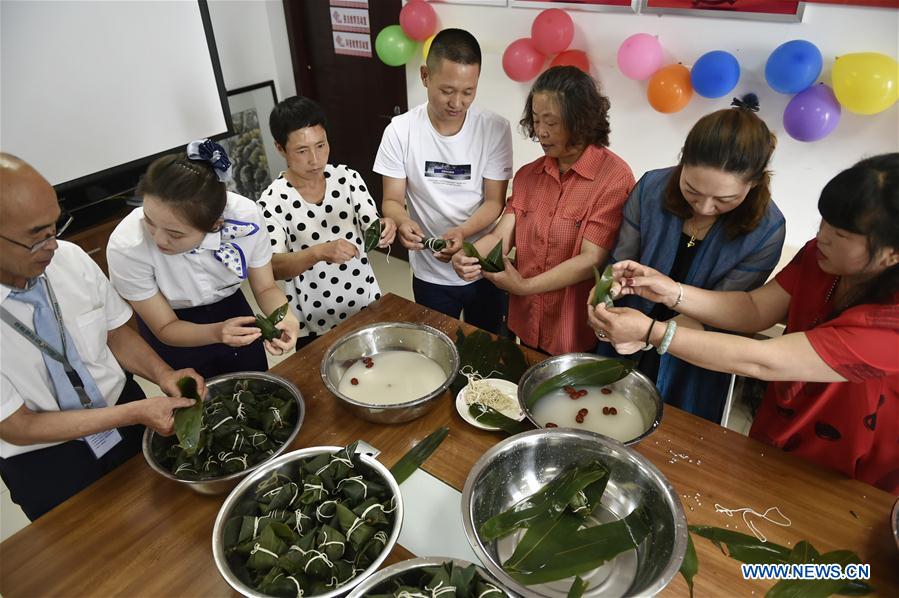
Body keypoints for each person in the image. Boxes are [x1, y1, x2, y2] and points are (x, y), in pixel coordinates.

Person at [588, 154, 899, 494]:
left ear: (892, 254)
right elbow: (755, 308)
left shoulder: (891, 322)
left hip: (854, 450)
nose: (821, 237)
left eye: (840, 234)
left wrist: (651, 332)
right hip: (784, 416)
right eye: (823, 222)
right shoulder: (819, 256)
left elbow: (764, 360)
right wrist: (670, 290)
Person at [0, 154, 204, 520]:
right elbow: (19, 425)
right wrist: (134, 413)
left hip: (127, 416)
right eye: (36, 237)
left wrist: (164, 375)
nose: (52, 245)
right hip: (48, 457)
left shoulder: (70, 259)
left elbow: (116, 334)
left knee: (170, 520)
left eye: (55, 227)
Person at [596, 98, 785, 422]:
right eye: (692, 190)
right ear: (682, 161)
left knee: (675, 432)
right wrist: (604, 296)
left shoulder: (766, 229)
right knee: (607, 414)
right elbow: (621, 260)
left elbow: (724, 312)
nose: (704, 207)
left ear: (754, 182)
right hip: (626, 328)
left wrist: (648, 335)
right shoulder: (651, 188)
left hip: (696, 352)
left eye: (724, 199)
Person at [452, 66, 634, 354]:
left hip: (573, 330)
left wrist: (524, 286)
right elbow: (501, 235)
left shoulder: (613, 178)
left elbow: (591, 258)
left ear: (581, 121)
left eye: (552, 122)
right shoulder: (528, 175)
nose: (541, 132)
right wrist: (469, 254)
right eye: (536, 120)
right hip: (526, 320)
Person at [107, 140, 299, 378]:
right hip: (171, 323)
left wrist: (286, 319)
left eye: (175, 234)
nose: (158, 239)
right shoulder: (127, 246)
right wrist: (217, 332)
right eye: (149, 221)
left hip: (231, 306)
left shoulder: (245, 217)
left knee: (255, 381)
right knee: (196, 394)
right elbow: (165, 326)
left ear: (215, 224)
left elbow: (265, 287)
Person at [374, 28, 513, 333]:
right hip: (429, 273)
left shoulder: (494, 129)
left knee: (488, 347)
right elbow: (392, 200)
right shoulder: (400, 131)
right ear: (425, 76)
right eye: (447, 90)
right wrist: (402, 221)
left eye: (468, 92)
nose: (457, 102)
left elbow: (494, 202)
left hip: (480, 266)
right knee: (436, 348)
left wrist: (463, 232)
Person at [258, 96, 396, 349]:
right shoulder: (272, 200)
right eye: (302, 151)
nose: (315, 159)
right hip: (313, 324)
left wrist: (385, 228)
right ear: (280, 148)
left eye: (321, 145)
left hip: (365, 305)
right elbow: (274, 267)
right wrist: (319, 252)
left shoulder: (348, 178)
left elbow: (373, 226)